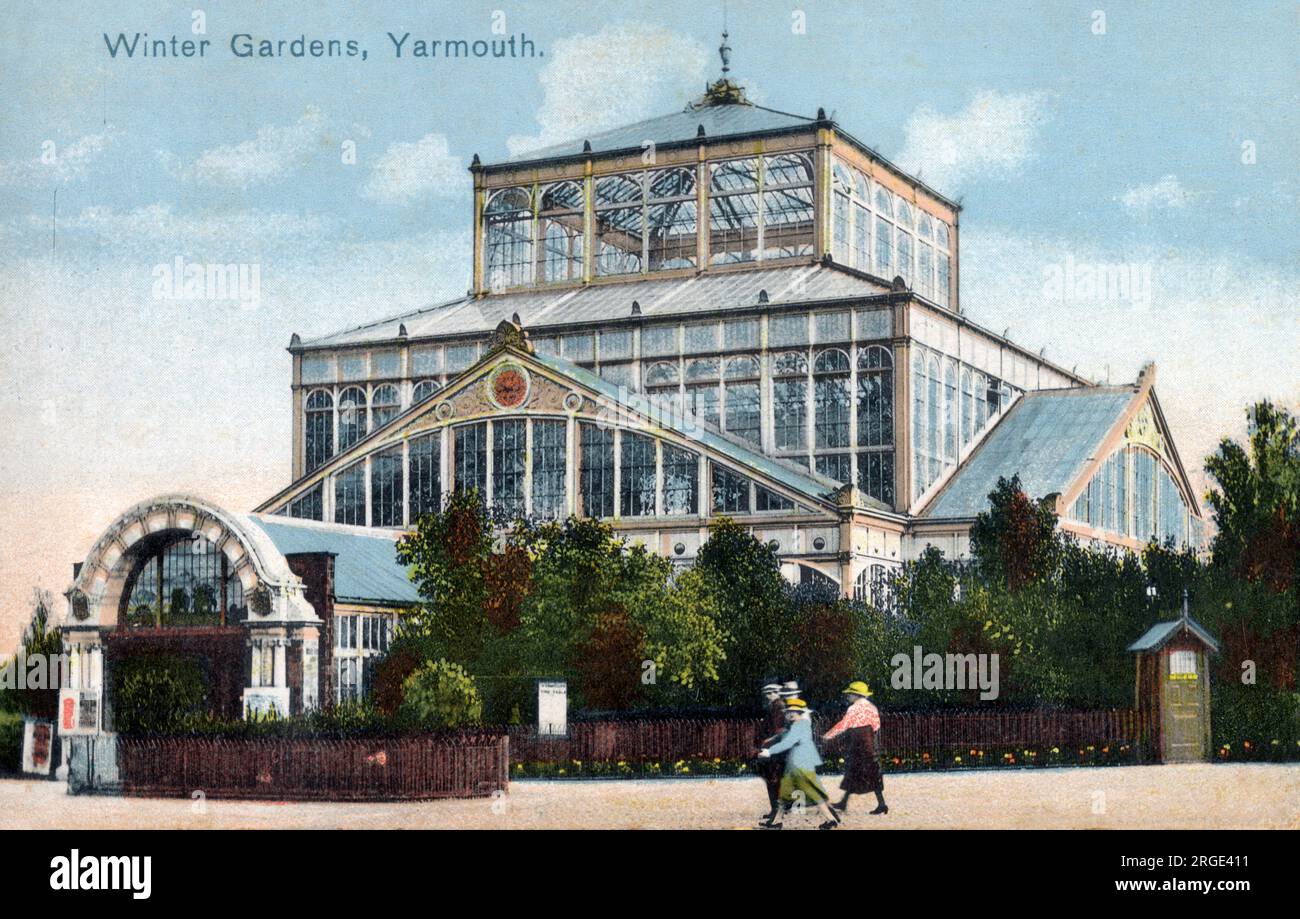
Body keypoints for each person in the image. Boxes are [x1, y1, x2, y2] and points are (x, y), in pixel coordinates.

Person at [757, 698, 841, 830]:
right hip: (798, 765)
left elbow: (788, 742)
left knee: (811, 794)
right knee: (786, 795)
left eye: (794, 712)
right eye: (788, 712)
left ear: (800, 712)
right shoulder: (799, 724)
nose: (790, 714)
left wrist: (769, 751)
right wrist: (772, 739)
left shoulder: (799, 726)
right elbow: (784, 736)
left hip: (800, 765)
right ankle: (776, 823)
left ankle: (831, 819)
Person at [822, 680, 887, 815]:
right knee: (872, 773)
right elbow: (877, 726)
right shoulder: (872, 708)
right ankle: (879, 803)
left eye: (850, 694)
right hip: (869, 743)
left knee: (853, 772)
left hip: (857, 744)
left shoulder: (853, 709)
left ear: (856, 695)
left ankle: (847, 803)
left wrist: (828, 735)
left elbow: (843, 725)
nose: (848, 696)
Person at [756, 681, 786, 826]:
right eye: (767, 693)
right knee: (771, 780)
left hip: (774, 748)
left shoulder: (779, 706)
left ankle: (776, 812)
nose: (769, 695)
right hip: (770, 746)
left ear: (777, 693)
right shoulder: (774, 706)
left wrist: (767, 741)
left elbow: (780, 730)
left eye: (772, 693)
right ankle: (774, 810)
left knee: (774, 780)